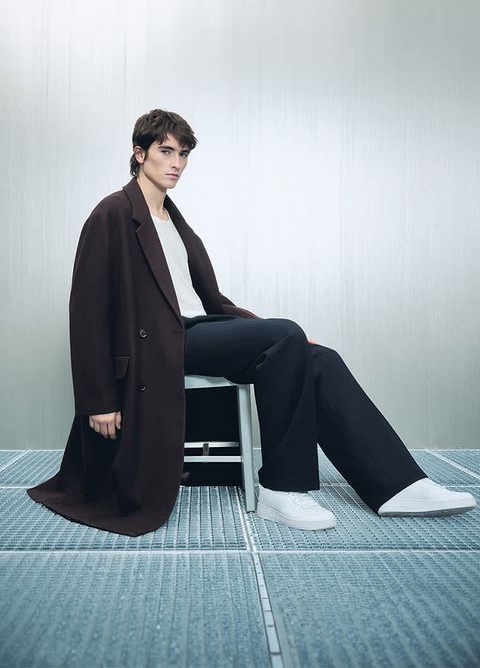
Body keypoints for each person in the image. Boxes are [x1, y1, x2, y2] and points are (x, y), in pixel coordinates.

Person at [26, 109, 476, 536]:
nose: (177, 163)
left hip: (197, 329)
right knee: (285, 336)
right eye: (166, 151)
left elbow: (212, 301)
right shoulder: (112, 214)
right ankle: (282, 489)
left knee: (320, 357)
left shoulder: (174, 221)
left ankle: (397, 483)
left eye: (184, 153)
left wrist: (278, 335)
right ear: (139, 153)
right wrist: (98, 400)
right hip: (160, 343)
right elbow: (86, 309)